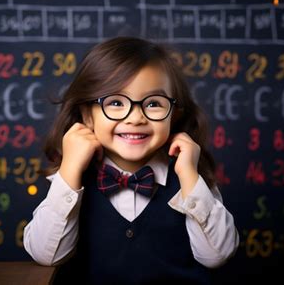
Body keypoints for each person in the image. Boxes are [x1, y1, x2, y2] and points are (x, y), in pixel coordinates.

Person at [24, 37, 239, 284]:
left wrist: (190, 176)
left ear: (173, 115)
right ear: (87, 115)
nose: (136, 118)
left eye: (154, 104)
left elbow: (218, 255)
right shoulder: (70, 180)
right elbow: (45, 255)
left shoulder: (189, 177)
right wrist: (70, 169)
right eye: (115, 102)